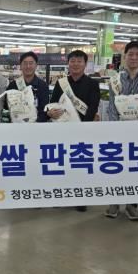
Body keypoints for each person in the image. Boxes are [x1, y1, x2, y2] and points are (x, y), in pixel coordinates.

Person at [105, 41, 138, 221]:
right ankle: (113, 202)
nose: (134, 58)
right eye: (130, 54)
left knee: (136, 168)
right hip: (118, 132)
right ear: (125, 56)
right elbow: (112, 106)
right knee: (115, 166)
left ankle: (132, 204)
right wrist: (116, 128)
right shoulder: (115, 79)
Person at [48, 49, 101, 212]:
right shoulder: (61, 83)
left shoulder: (92, 84)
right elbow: (53, 103)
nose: (76, 64)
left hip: (83, 131)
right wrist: (50, 112)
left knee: (81, 165)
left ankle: (80, 198)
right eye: (73, 61)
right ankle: (61, 195)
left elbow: (93, 107)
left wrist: (82, 127)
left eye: (79, 61)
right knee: (62, 164)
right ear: (68, 64)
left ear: (85, 64)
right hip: (63, 131)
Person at [5, 51, 49, 122]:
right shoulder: (13, 85)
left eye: (31, 63)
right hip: (16, 125)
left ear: (36, 65)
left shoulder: (42, 86)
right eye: (25, 63)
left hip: (37, 125)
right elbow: (7, 107)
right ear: (20, 66)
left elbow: (44, 110)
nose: (28, 66)